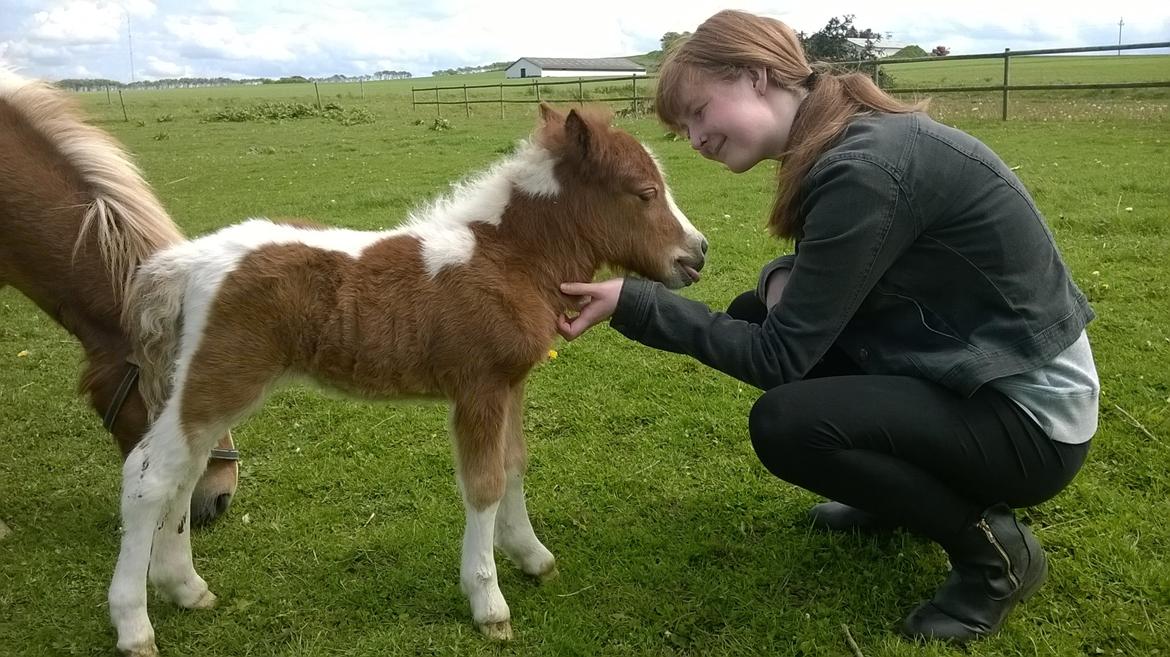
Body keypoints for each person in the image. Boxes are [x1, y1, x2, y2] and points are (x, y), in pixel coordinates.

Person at [556, 9, 1098, 644]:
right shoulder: (850, 137)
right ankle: (889, 499)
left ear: (758, 76)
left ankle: (997, 557)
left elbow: (778, 360)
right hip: (971, 370)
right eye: (684, 129)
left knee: (789, 425)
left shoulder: (864, 166)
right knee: (759, 310)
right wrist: (778, 278)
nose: (696, 137)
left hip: (1030, 420)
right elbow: (849, 268)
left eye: (700, 111)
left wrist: (637, 302)